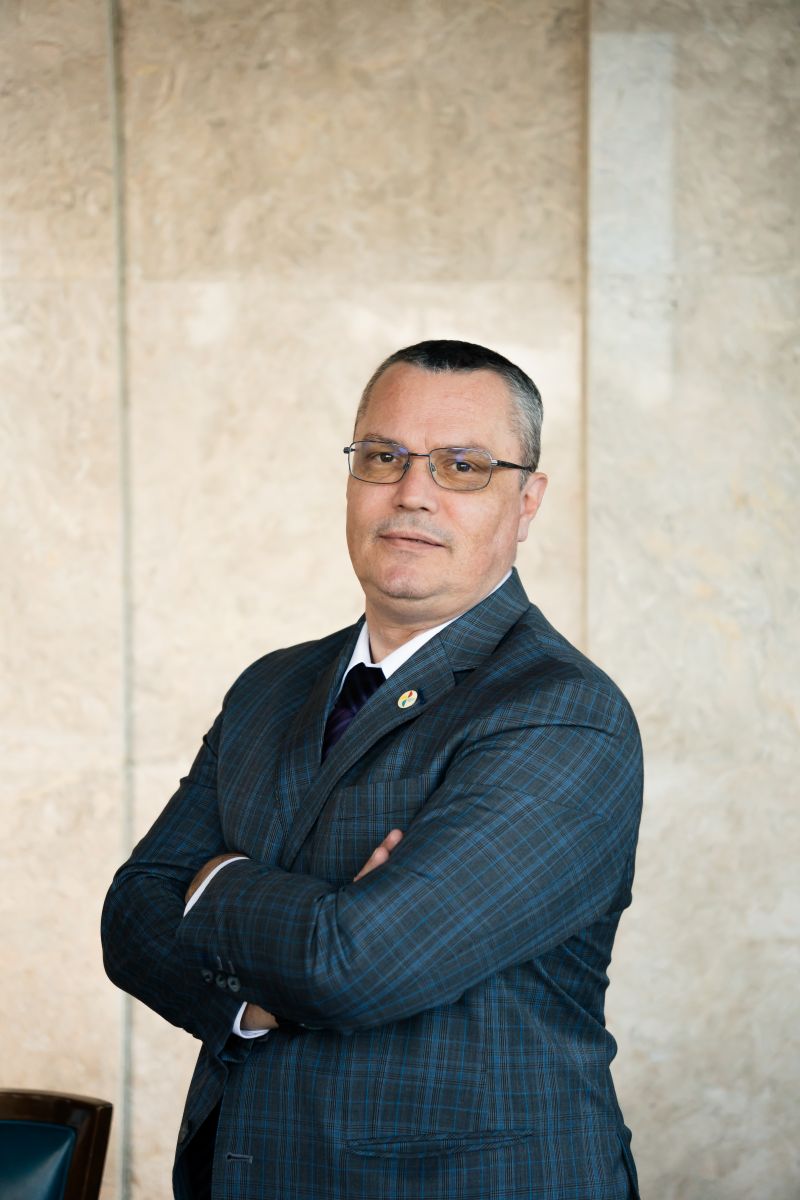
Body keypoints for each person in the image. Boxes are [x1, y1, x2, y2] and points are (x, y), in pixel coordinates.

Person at [102, 339, 643, 1199]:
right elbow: (132, 915)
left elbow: (354, 965)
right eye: (385, 456)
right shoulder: (271, 687)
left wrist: (214, 884)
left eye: (462, 466)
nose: (413, 492)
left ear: (526, 501)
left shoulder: (562, 713)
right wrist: (266, 986)